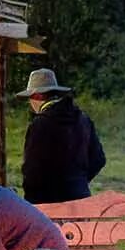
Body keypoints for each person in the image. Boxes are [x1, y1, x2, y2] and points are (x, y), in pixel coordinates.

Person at [18, 69, 107, 204]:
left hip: (48, 204)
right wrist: (78, 181)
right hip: (80, 198)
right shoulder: (83, 119)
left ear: (37, 96)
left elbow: (32, 170)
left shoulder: (40, 124)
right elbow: (98, 159)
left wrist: (32, 200)